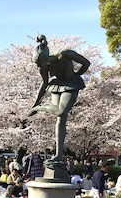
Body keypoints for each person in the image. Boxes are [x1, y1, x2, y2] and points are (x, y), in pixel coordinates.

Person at [28, 34, 90, 162]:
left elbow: (86, 63)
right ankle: (58, 154)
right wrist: (34, 103)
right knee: (59, 118)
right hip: (56, 86)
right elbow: (44, 84)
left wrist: (78, 75)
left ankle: (41, 108)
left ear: (47, 57)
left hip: (71, 84)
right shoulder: (42, 67)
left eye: (43, 63)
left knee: (62, 110)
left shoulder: (64, 54)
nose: (42, 66)